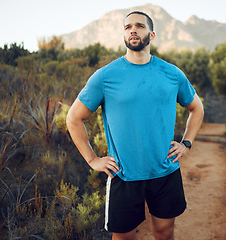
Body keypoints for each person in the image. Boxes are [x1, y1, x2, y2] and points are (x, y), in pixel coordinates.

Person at [66, 10, 204, 240]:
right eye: (128, 26)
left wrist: (186, 143)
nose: (133, 30)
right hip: (124, 175)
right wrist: (92, 159)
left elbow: (196, 108)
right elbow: (73, 118)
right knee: (124, 237)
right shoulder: (105, 76)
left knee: (164, 232)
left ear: (152, 34)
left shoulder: (172, 73)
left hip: (165, 170)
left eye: (139, 26)